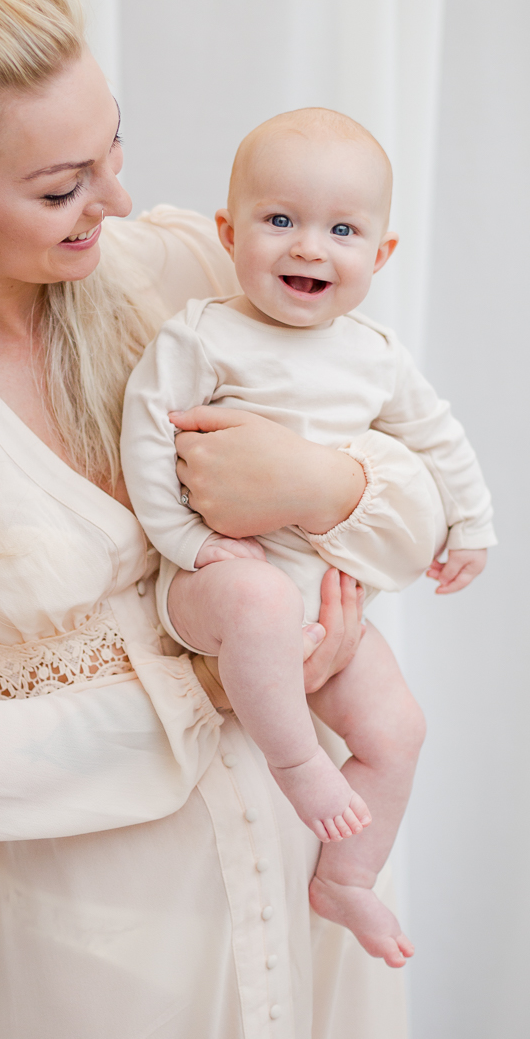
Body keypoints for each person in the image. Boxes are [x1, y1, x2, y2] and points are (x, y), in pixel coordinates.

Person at [0, 0, 441, 1038]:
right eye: (62, 188)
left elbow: (414, 505)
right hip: (112, 958)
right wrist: (204, 691)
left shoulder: (184, 273)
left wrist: (322, 483)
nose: (118, 202)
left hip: (312, 869)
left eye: (113, 151)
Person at [121, 108, 496, 968]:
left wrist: (473, 523)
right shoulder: (203, 333)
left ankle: (348, 878)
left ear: (381, 255)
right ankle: (299, 767)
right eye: (280, 220)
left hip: (324, 601)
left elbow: (438, 439)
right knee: (255, 595)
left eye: (342, 230)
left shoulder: (375, 354)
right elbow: (146, 435)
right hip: (217, 579)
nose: (308, 248)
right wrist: (188, 542)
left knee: (399, 729)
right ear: (229, 231)